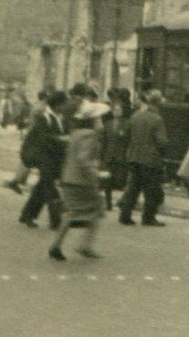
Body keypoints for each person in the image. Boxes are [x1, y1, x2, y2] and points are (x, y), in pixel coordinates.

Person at [49, 101, 112, 261]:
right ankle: (84, 245)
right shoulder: (89, 136)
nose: (101, 122)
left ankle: (58, 245)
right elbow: (84, 160)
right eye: (99, 119)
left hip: (69, 178)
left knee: (73, 212)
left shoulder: (76, 133)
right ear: (94, 120)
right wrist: (97, 174)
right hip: (82, 182)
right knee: (96, 209)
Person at [18, 91, 69, 230]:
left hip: (53, 158)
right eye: (64, 104)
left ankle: (27, 215)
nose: (65, 106)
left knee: (42, 187)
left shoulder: (58, 118)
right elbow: (43, 139)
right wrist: (61, 140)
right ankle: (55, 221)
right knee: (50, 189)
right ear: (57, 105)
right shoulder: (44, 117)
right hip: (43, 157)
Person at [119, 89, 168, 227]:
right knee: (151, 189)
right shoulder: (157, 120)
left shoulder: (135, 117)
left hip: (133, 156)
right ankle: (148, 217)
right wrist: (162, 155)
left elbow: (125, 136)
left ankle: (125, 215)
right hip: (150, 159)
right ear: (157, 105)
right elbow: (162, 142)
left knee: (133, 187)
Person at [6, 90, 49, 194]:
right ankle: (18, 181)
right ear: (44, 98)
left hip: (32, 135)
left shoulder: (37, 105)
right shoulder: (42, 108)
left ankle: (18, 180)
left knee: (29, 160)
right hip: (35, 136)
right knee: (32, 160)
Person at [99, 96, 131, 211]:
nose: (117, 112)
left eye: (119, 110)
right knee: (107, 182)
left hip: (121, 156)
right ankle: (108, 203)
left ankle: (123, 201)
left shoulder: (127, 124)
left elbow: (128, 141)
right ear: (112, 111)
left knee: (120, 180)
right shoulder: (107, 124)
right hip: (109, 156)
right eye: (115, 110)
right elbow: (104, 141)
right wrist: (102, 157)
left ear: (122, 111)